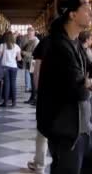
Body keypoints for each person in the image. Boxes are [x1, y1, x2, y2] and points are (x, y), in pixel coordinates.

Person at [37, 0, 92, 174]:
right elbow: (79, 90)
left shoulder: (77, 44)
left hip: (84, 130)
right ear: (72, 14)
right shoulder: (58, 45)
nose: (91, 12)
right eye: (86, 8)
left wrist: (91, 81)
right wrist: (89, 84)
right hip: (66, 132)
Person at [26, 34, 51, 174]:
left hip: (47, 93)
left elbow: (37, 71)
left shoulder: (45, 42)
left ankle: (40, 165)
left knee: (43, 132)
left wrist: (38, 92)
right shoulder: (73, 41)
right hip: (65, 95)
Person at [0, 31, 22, 107]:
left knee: (6, 84)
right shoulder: (16, 46)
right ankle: (14, 102)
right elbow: (19, 59)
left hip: (5, 66)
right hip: (14, 67)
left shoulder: (2, 46)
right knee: (13, 84)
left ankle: (5, 102)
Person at [22, 27, 40, 104]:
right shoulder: (30, 41)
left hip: (33, 63)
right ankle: (32, 97)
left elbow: (34, 54)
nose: (28, 35)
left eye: (30, 33)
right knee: (32, 79)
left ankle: (34, 97)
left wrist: (24, 53)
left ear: (33, 33)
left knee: (33, 80)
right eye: (28, 33)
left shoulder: (36, 41)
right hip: (29, 62)